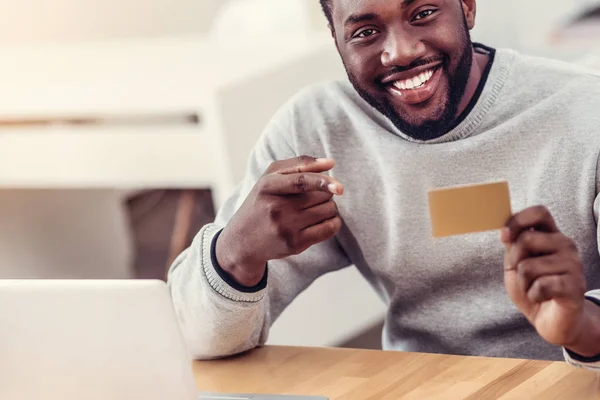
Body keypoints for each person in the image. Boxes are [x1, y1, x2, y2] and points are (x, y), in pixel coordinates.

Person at [167, 0, 600, 368]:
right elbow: (191, 339)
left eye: (423, 13)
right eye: (366, 31)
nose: (400, 52)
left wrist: (580, 326)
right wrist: (234, 253)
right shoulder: (316, 132)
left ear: (467, 5)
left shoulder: (585, 112)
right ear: (335, 38)